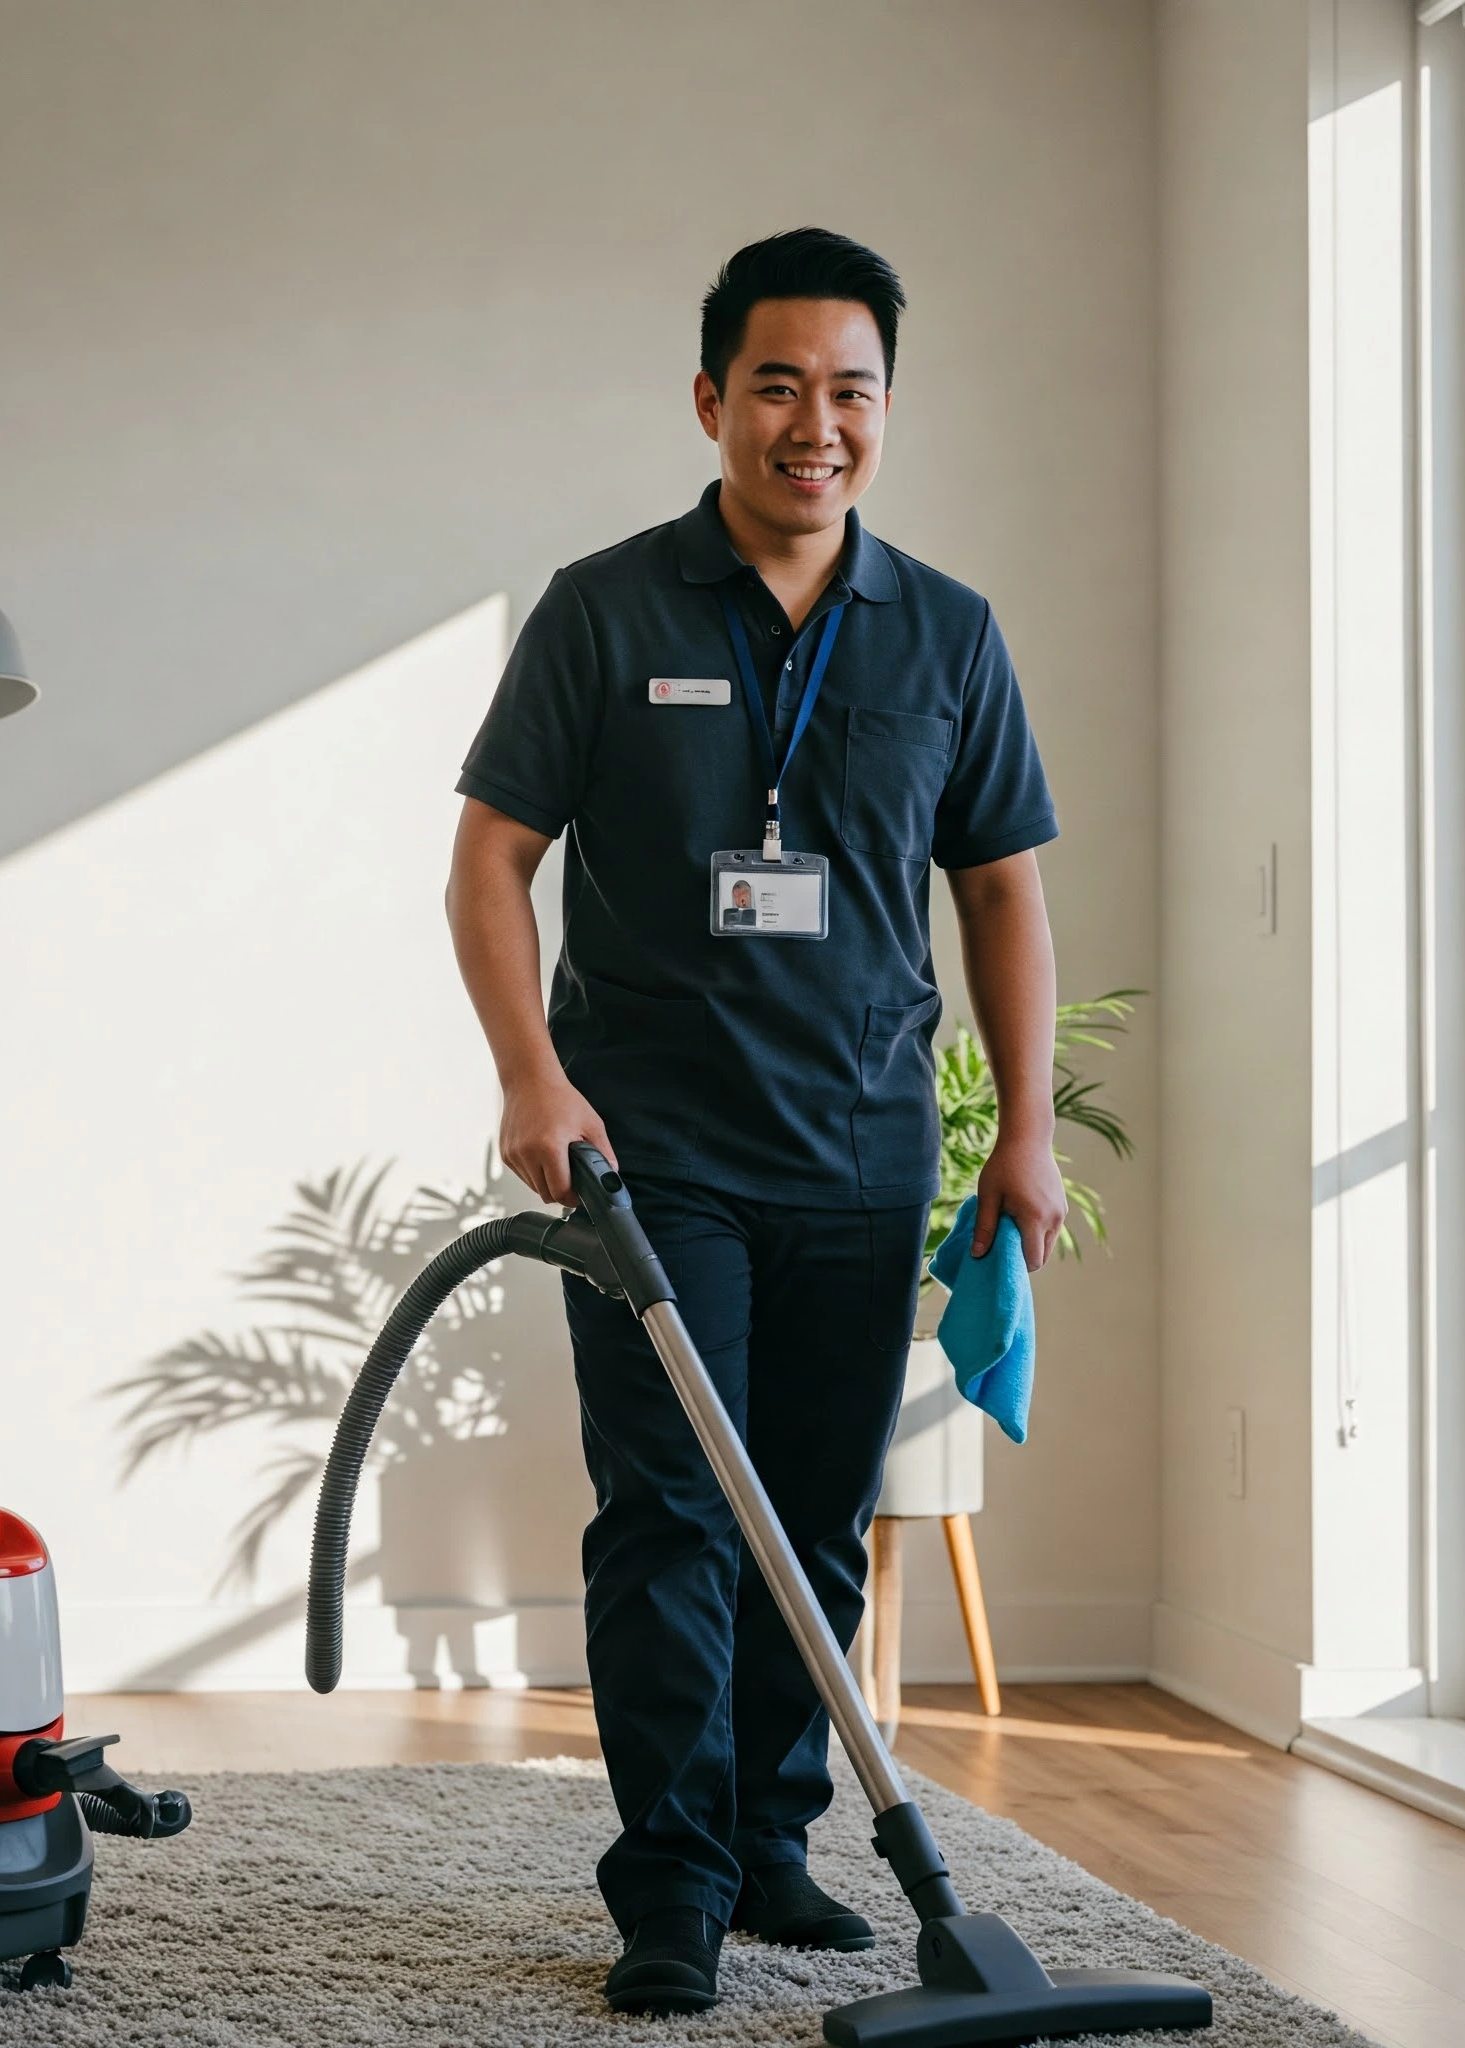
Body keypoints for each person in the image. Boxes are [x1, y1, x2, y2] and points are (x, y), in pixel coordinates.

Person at [445, 227, 1063, 2016]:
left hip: (864, 1152)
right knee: (666, 1509)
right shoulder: (607, 609)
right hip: (649, 1156)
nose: (816, 424)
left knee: (809, 1515)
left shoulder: (946, 631)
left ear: (886, 411)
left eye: (851, 390)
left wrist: (1019, 1132)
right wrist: (528, 1077)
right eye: (778, 384)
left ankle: (775, 1841)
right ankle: (670, 1878)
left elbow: (1003, 893)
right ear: (712, 398)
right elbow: (493, 857)